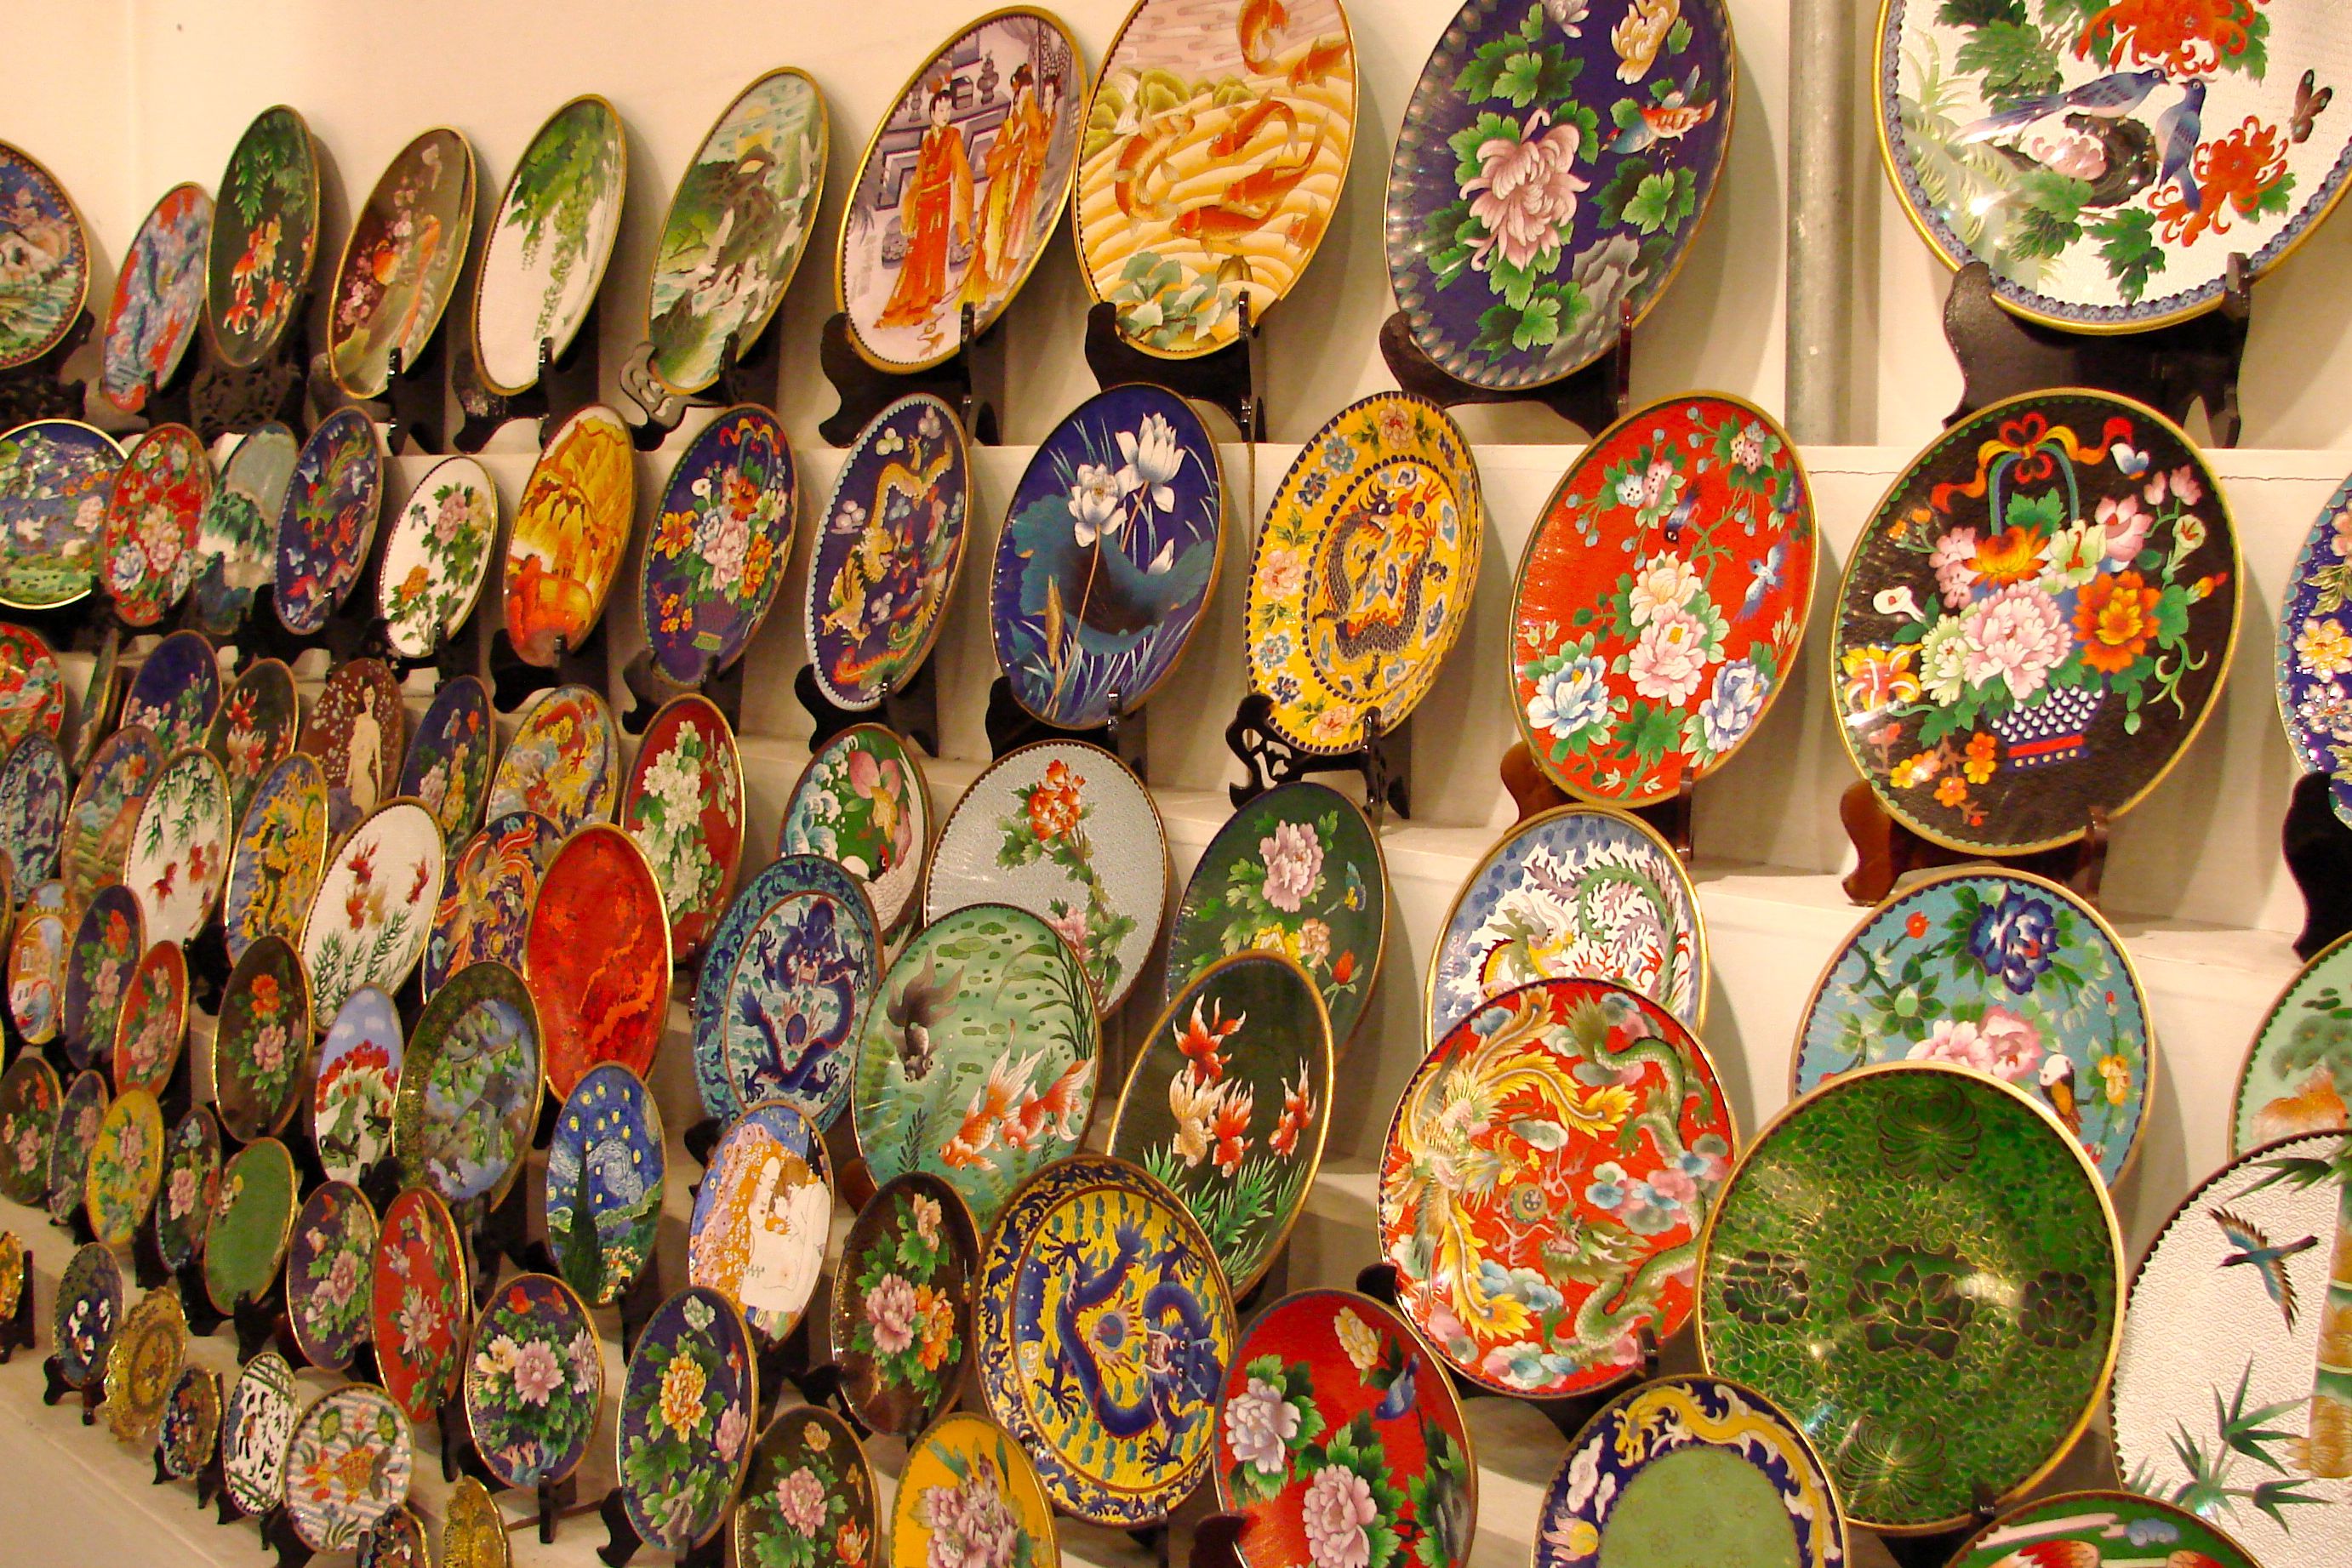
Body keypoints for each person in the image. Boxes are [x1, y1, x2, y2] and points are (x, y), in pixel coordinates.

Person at [876, 82, 974, 332]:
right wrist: (910, 207)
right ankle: (908, 302)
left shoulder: (953, 137)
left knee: (934, 251)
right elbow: (919, 176)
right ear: (932, 113)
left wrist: (962, 215)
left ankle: (926, 301)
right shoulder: (928, 140)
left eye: (948, 109)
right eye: (941, 110)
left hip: (941, 200)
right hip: (924, 202)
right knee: (917, 252)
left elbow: (961, 171)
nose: (945, 115)